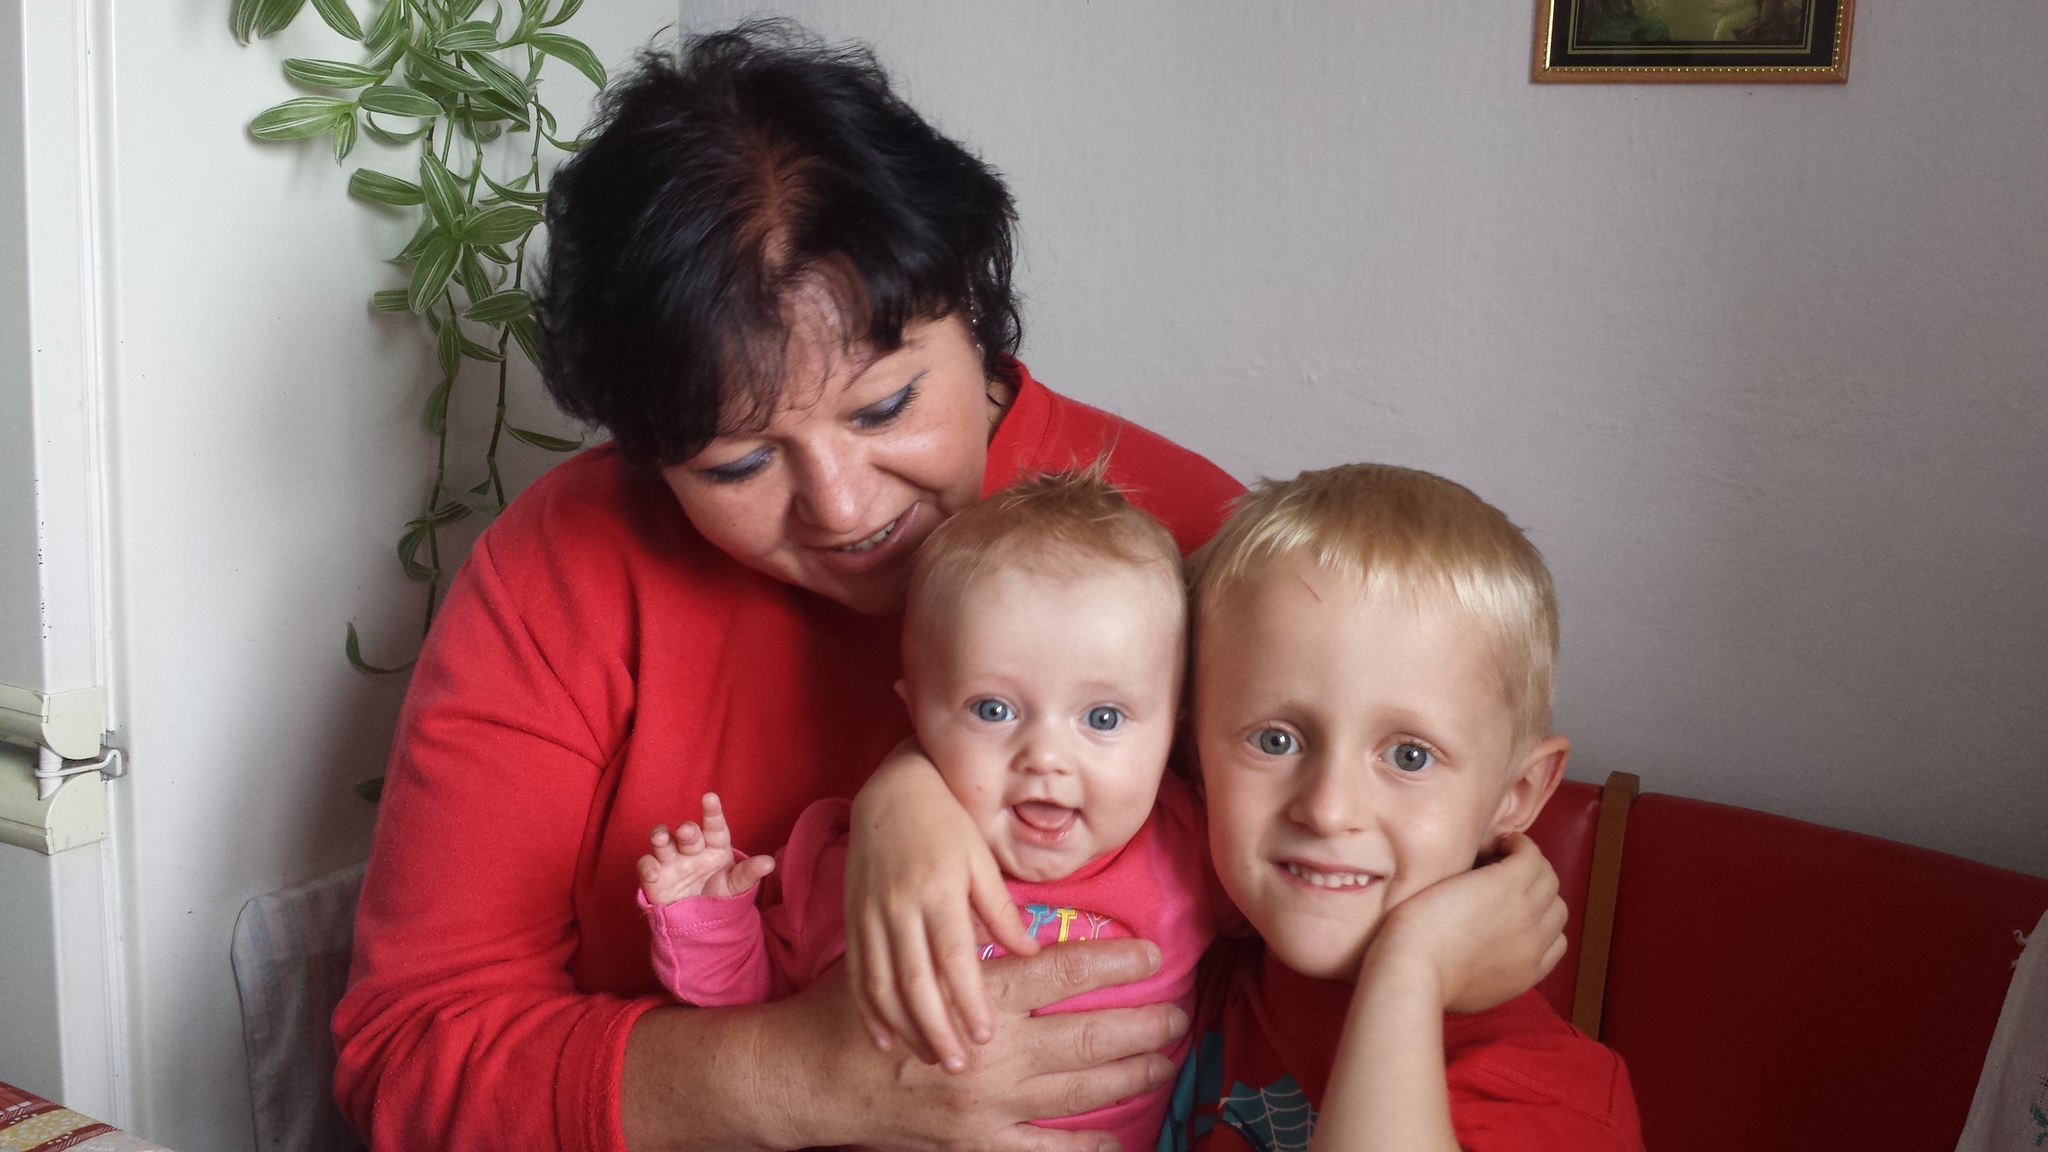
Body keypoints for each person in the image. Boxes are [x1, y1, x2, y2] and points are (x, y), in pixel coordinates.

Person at [330, 21, 1247, 1152]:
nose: (843, 508)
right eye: (739, 464)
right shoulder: (564, 570)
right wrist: (810, 1075)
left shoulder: (1192, 540)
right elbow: (412, 1052)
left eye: (884, 408)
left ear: (972, 305)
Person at [635, 472, 1216, 1152]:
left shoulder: (1188, 847)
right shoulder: (864, 866)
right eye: (993, 710)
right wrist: (708, 918)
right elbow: (753, 1012)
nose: (1046, 757)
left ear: (1175, 728)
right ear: (917, 712)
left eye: (1104, 717)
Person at [1166, 464, 1645, 1152]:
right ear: (1191, 755)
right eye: (1276, 740)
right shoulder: (1179, 970)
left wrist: (1412, 969)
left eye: (1410, 756)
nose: (1328, 810)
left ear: (1515, 796)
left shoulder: (1555, 1097)